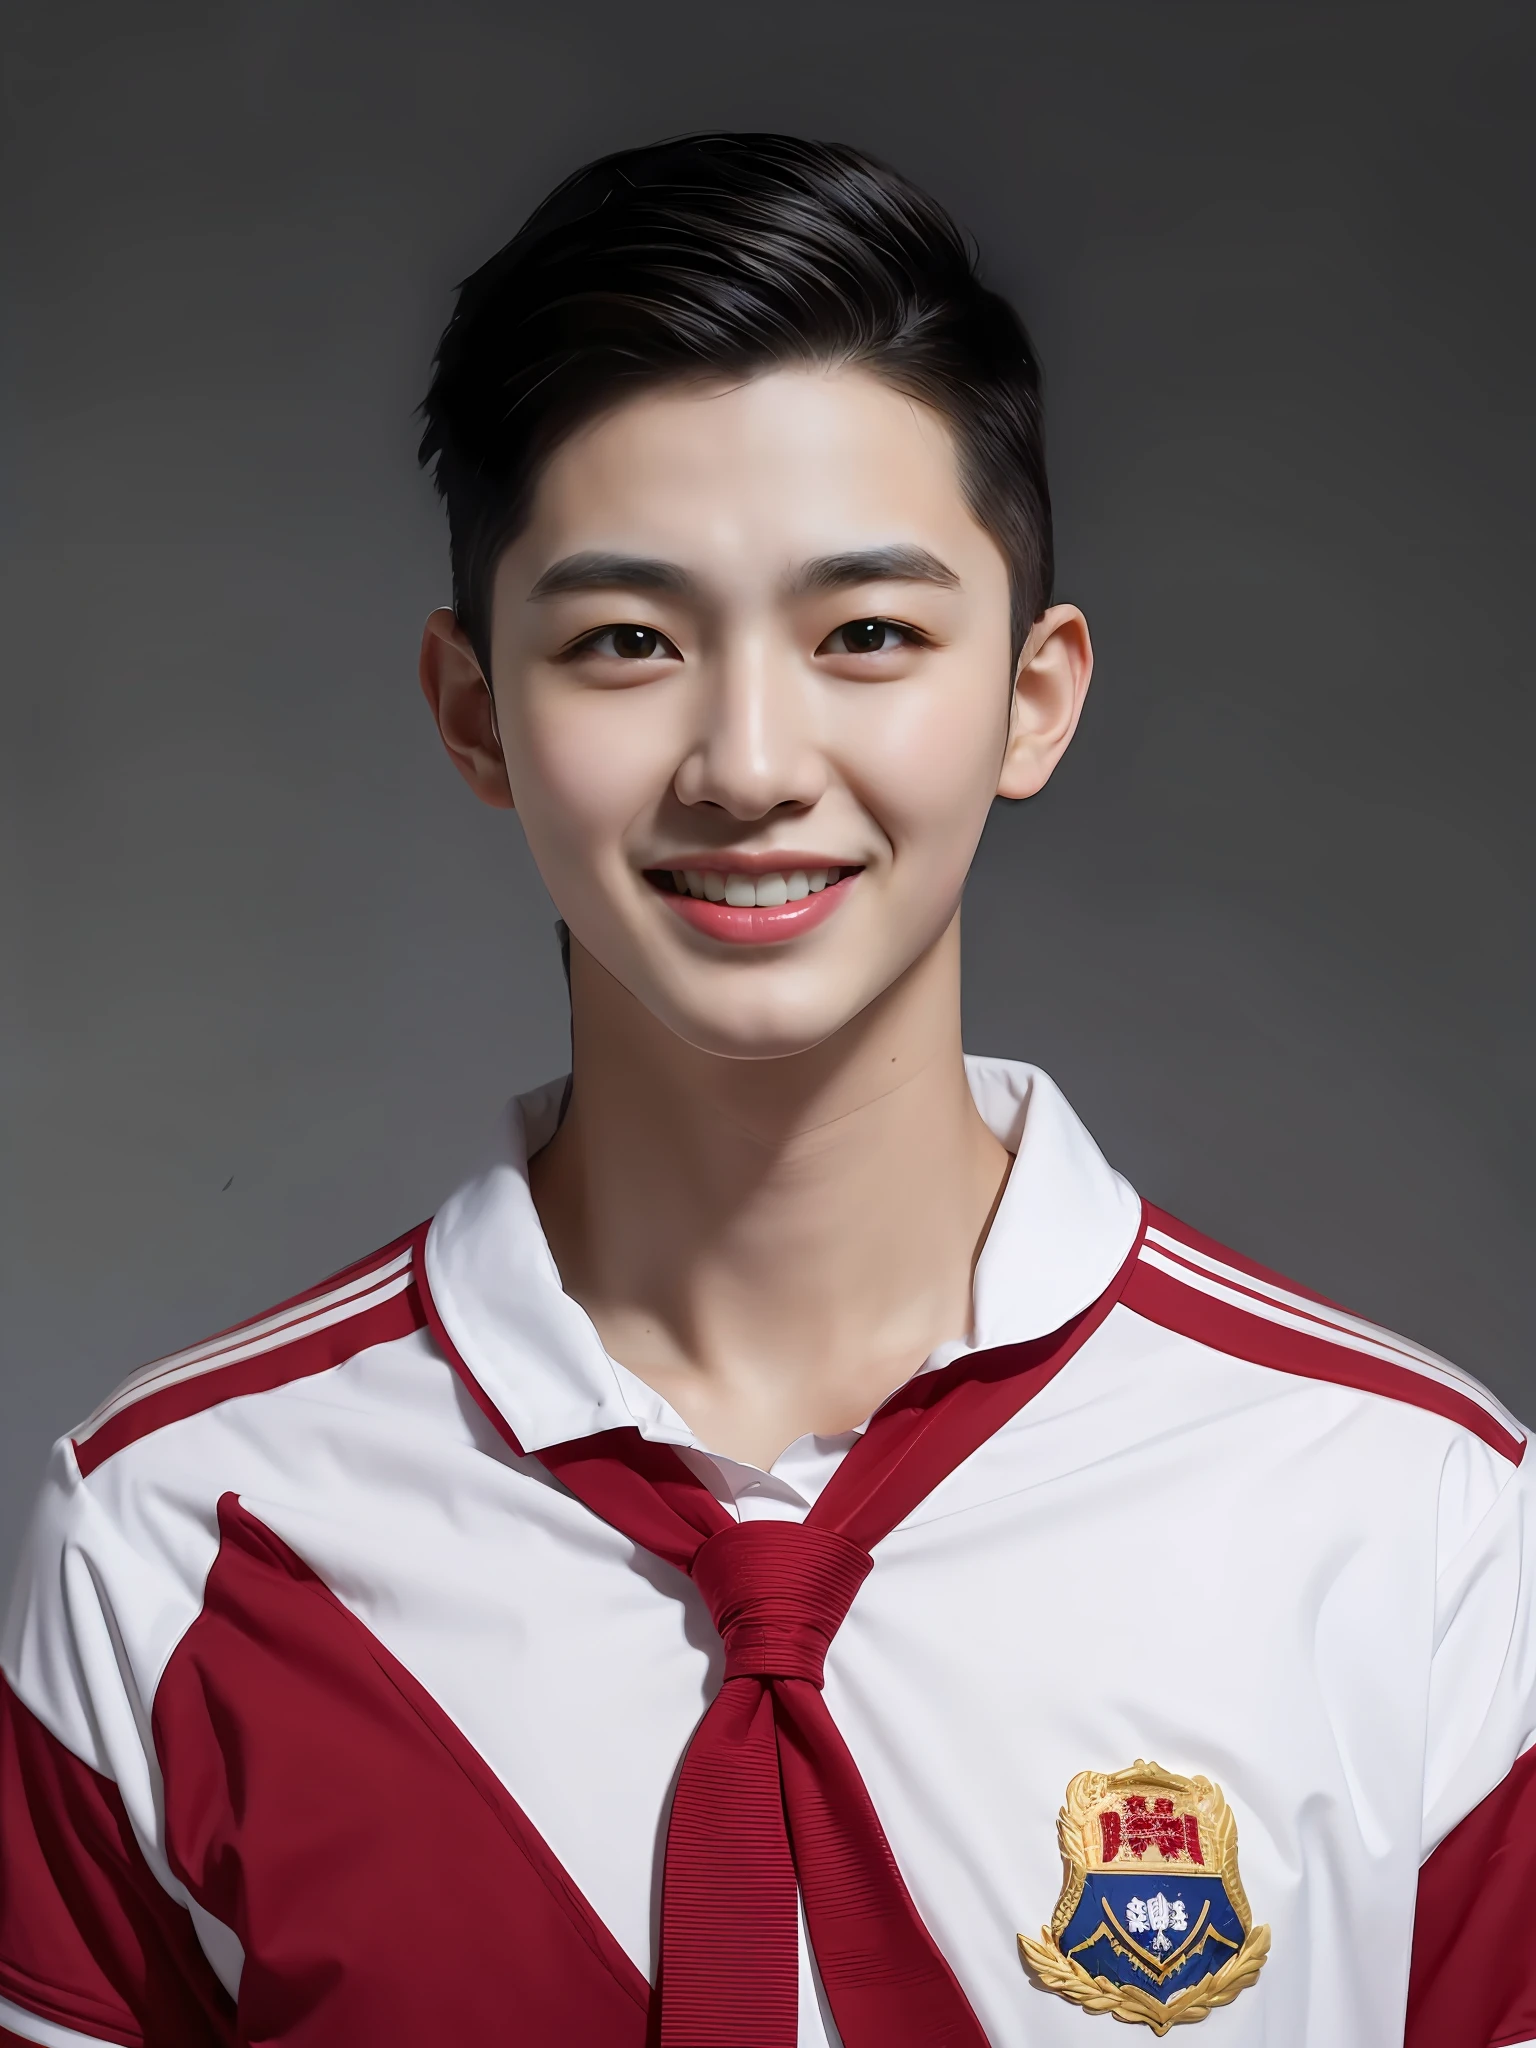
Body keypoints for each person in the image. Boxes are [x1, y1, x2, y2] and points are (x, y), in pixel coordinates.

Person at [0, 133, 1530, 2048]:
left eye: (867, 635)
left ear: (1033, 696)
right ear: (477, 713)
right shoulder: (173, 1545)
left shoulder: (1417, 1527)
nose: (747, 759)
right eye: (626, 641)